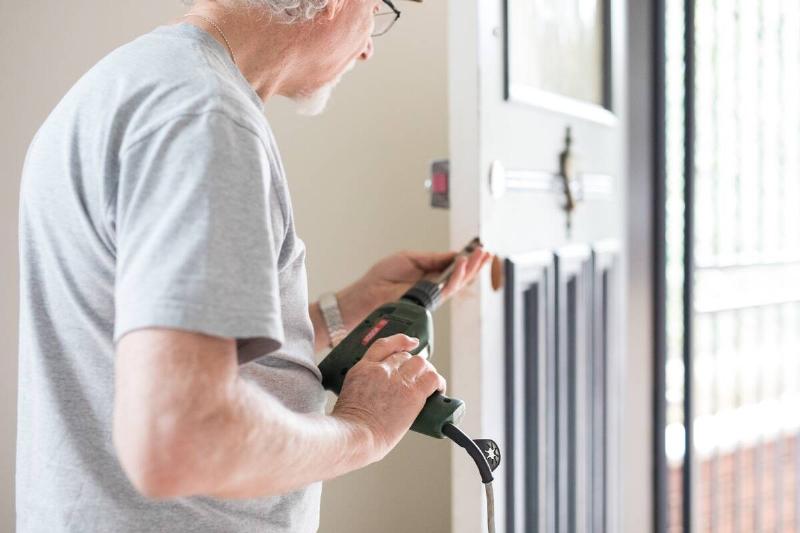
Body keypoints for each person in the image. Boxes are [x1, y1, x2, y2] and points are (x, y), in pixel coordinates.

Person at [16, 0, 492, 531]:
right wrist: (365, 429)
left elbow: (152, 350)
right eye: (379, 8)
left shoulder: (136, 80)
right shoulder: (205, 119)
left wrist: (344, 310)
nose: (368, 47)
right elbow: (181, 439)